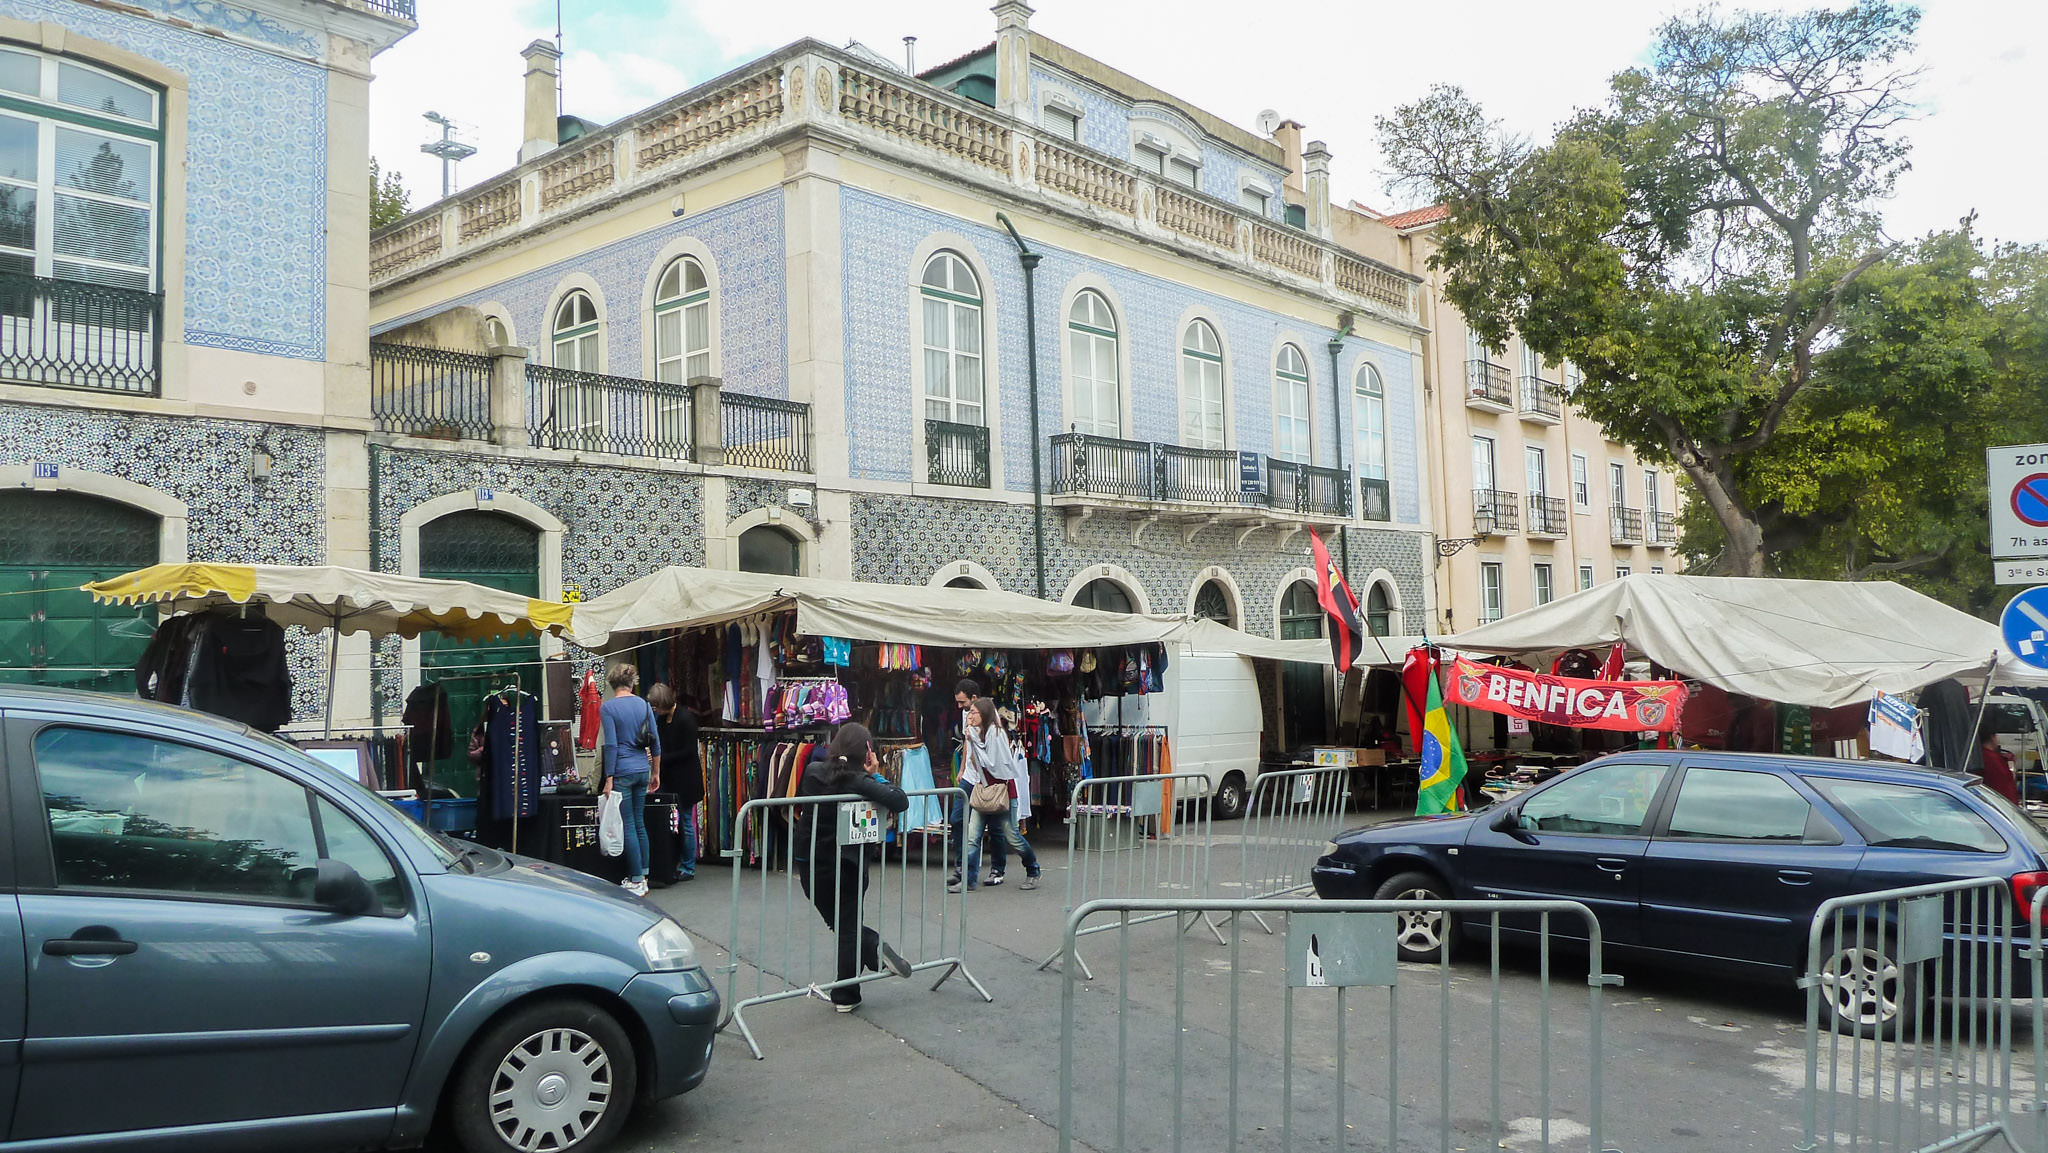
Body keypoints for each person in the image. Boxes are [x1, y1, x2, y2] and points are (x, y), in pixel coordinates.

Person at [794, 722, 914, 1011]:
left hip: (811, 865)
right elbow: (900, 801)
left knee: (842, 925)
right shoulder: (859, 781)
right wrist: (875, 775)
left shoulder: (812, 772)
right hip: (847, 865)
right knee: (848, 927)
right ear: (867, 751)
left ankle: (848, 992)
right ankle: (867, 953)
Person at [957, 697, 1041, 893]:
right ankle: (969, 880)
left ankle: (1033, 869)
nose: (970, 716)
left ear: (984, 714)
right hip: (984, 790)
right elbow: (977, 764)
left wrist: (975, 742)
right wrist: (972, 741)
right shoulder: (975, 735)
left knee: (1012, 836)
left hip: (1003, 792)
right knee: (972, 837)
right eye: (970, 713)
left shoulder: (996, 734)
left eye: (974, 713)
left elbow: (996, 765)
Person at [599, 661, 659, 897]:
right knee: (640, 822)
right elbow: (655, 741)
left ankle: (636, 880)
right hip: (642, 767)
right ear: (631, 682)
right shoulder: (644, 705)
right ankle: (643, 873)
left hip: (622, 770)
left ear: (613, 684)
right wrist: (656, 771)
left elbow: (611, 745)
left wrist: (609, 777)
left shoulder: (608, 708)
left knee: (629, 825)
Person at [648, 683, 702, 881]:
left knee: (685, 822)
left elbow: (688, 751)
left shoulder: (686, 719)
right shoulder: (662, 719)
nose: (654, 709)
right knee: (672, 822)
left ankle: (688, 866)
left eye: (655, 705)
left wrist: (661, 758)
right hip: (670, 778)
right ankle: (674, 860)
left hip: (686, 780)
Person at [1981, 733, 2021, 805]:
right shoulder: (1994, 759)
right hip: (2001, 804)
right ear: (1992, 737)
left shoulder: (1980, 756)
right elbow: (2004, 786)